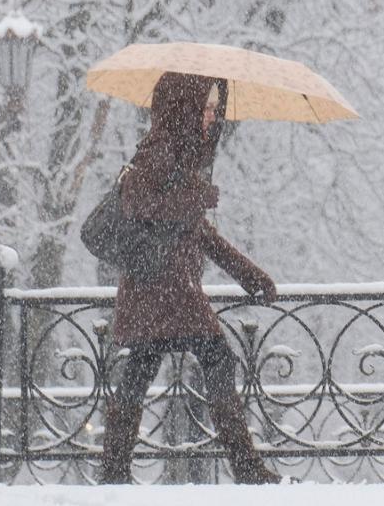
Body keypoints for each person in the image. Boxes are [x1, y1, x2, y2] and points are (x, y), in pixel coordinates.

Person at [100, 72, 281, 485]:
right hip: (162, 291)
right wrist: (195, 196)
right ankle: (247, 467)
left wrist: (248, 274)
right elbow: (139, 204)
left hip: (162, 294)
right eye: (206, 107)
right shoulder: (160, 150)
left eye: (216, 109)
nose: (211, 116)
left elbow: (200, 233)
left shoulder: (182, 155)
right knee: (216, 359)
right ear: (184, 108)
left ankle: (113, 472)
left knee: (140, 375)